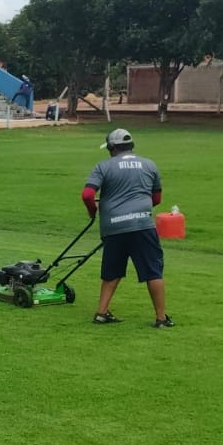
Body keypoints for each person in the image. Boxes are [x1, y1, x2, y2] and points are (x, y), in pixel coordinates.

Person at [82, 128, 173, 328]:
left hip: (114, 227)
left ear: (112, 148)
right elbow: (156, 198)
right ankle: (161, 318)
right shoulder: (149, 165)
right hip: (142, 225)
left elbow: (88, 194)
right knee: (153, 271)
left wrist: (92, 211)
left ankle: (101, 313)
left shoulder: (103, 167)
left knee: (111, 271)